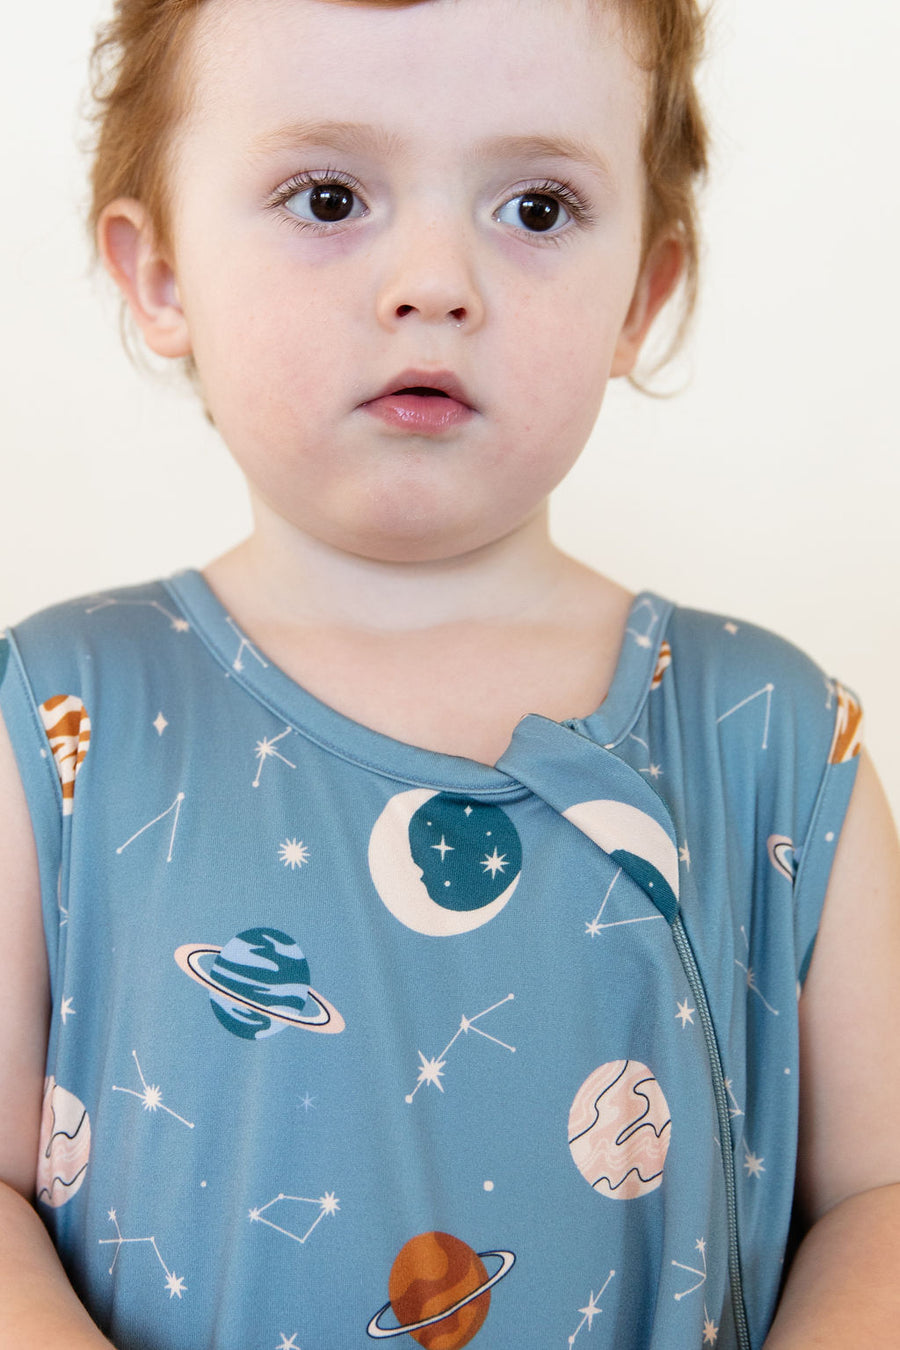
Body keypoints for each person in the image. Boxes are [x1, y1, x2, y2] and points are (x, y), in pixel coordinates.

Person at [1, 0, 898, 1346]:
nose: (434, 281)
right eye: (328, 197)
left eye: (535, 209)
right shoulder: (58, 720)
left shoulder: (772, 740)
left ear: (642, 296)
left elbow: (882, 1195)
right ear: (163, 273)